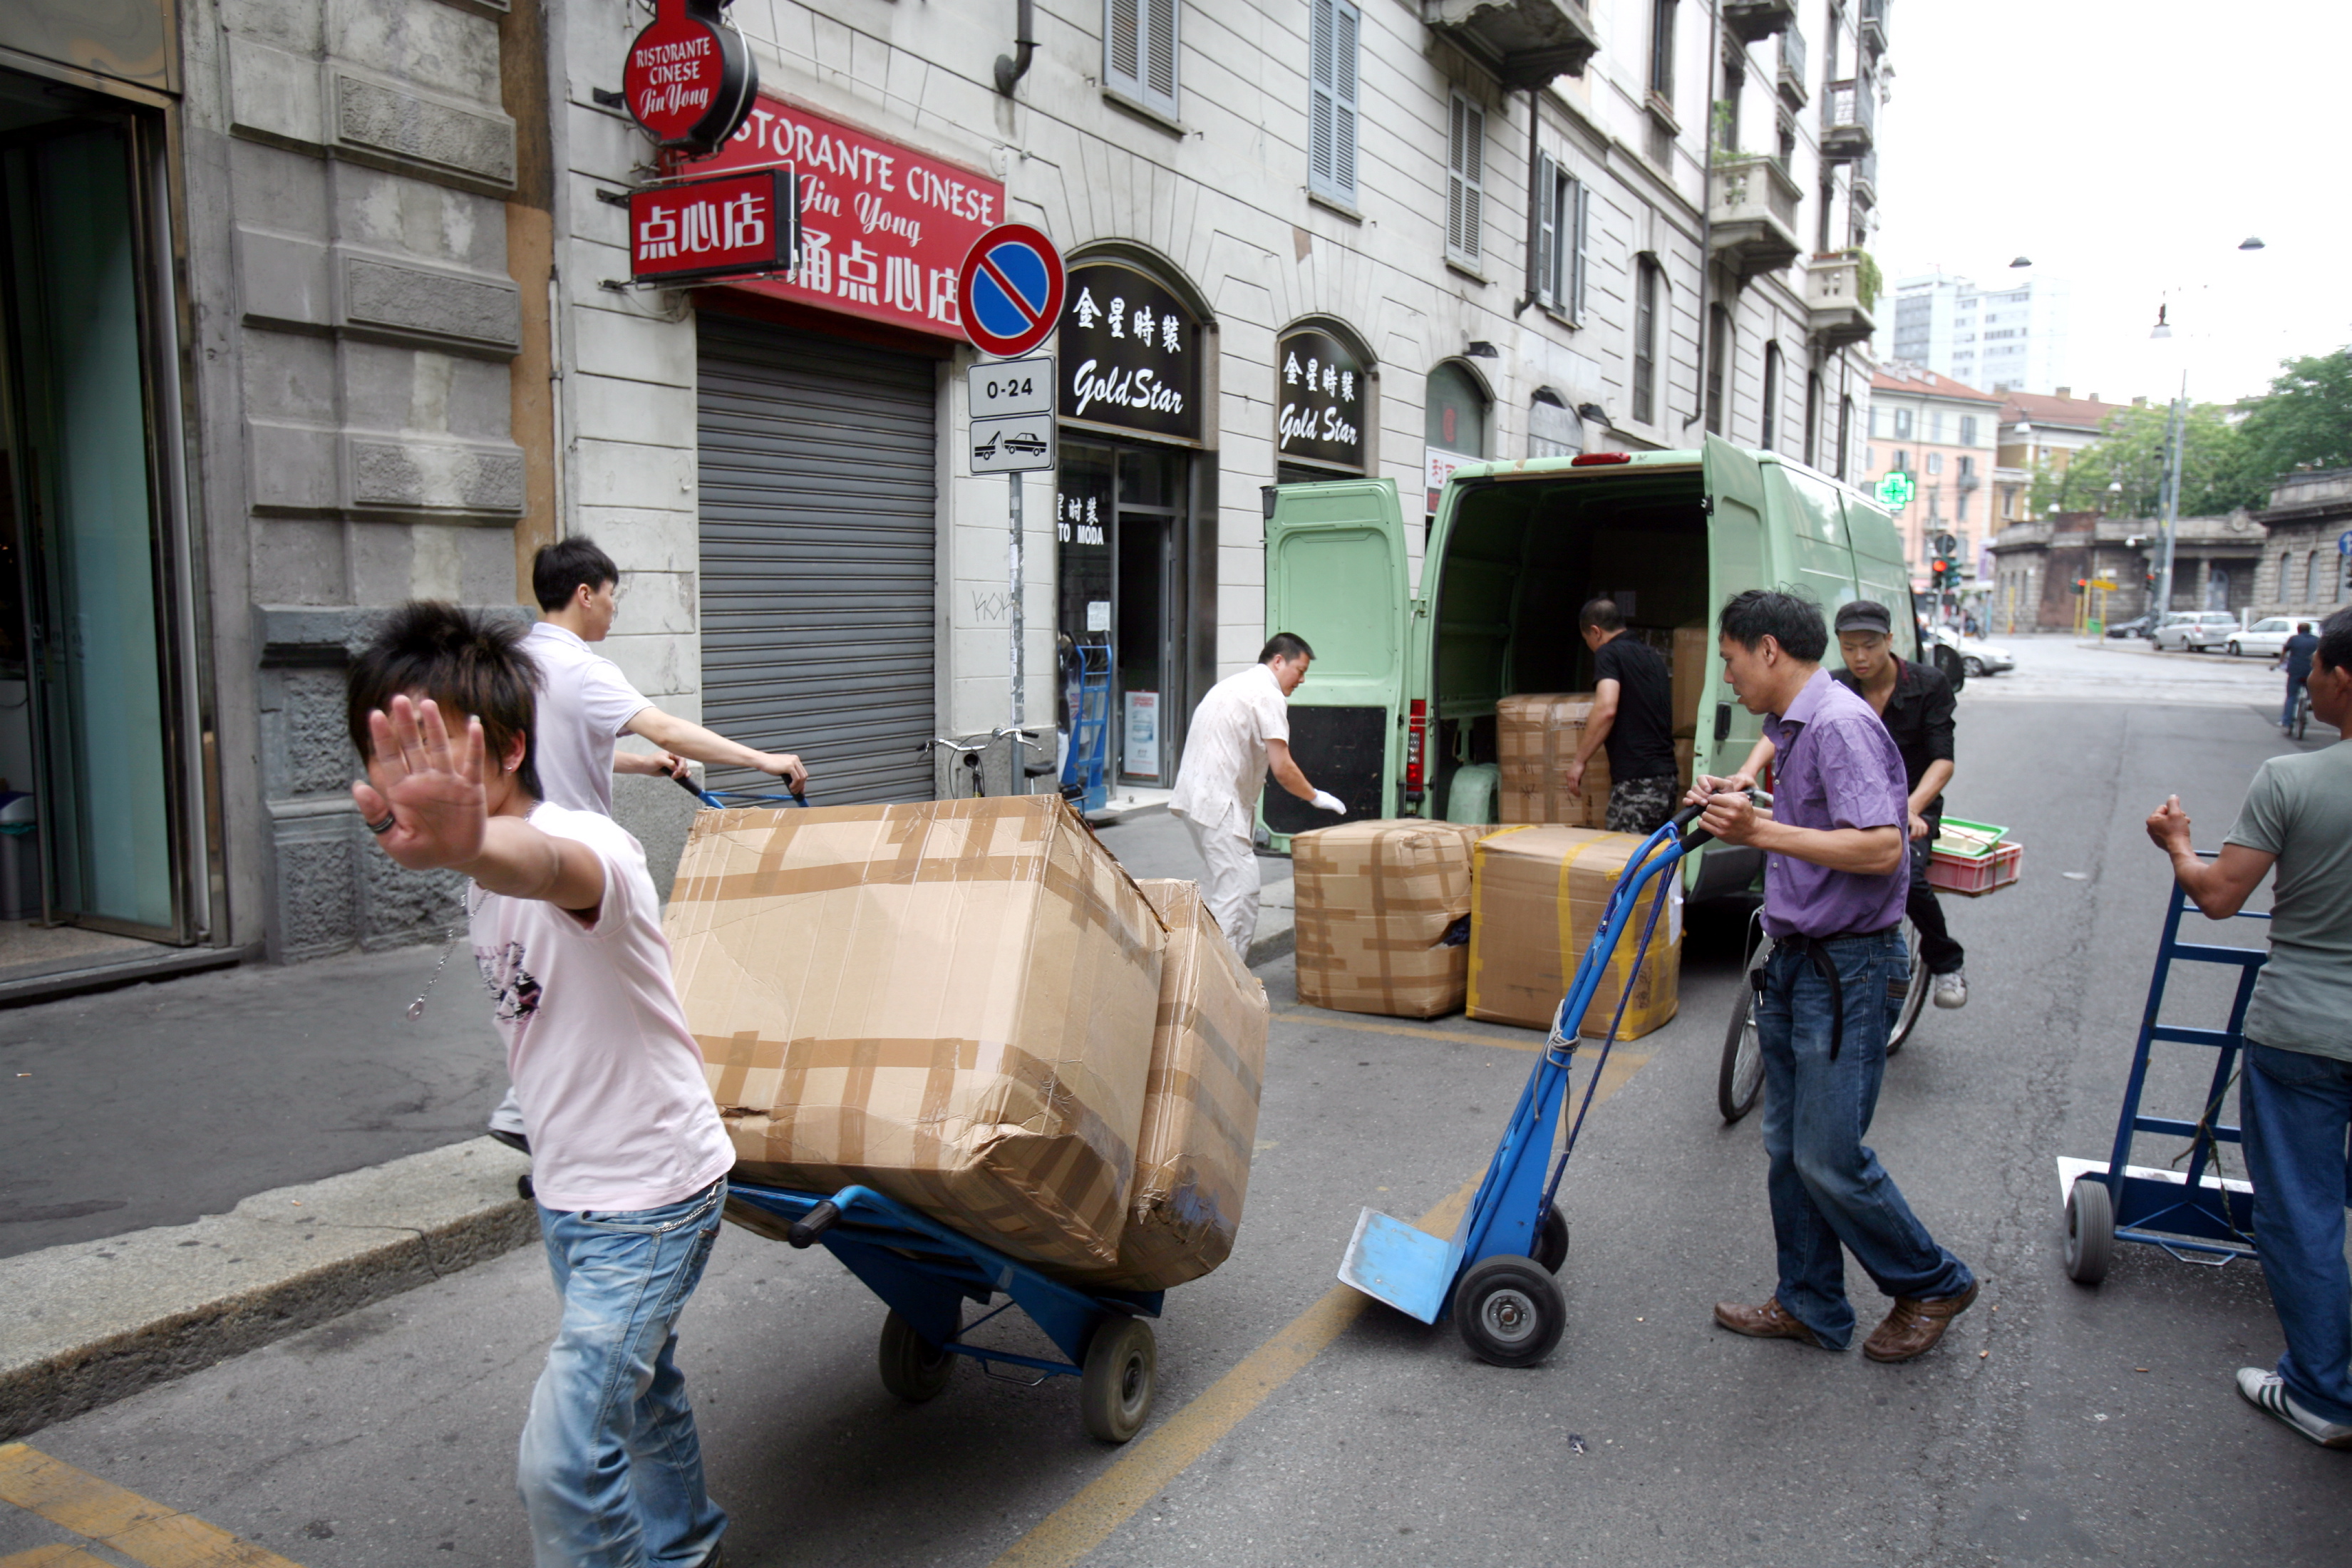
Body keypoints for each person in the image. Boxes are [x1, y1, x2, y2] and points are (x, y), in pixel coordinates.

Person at [347, 603, 734, 1567]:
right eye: (394, 751)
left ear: (513, 747)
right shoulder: (484, 869)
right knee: (641, 1398)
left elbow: (551, 865)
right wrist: (466, 851)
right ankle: (685, 1542)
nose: (413, 777)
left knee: (563, 1459)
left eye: (442, 745)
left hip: (653, 1199)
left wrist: (471, 845)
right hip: (572, 1198)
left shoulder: (586, 850)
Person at [1688, 589, 1979, 1362]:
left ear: (1768, 650)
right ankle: (1811, 1301)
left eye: (1729, 658)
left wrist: (1762, 828)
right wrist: (1737, 799)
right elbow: (1809, 820)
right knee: (1788, 1149)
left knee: (1827, 1154)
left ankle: (1933, 1278)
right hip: (1798, 959)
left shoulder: (1841, 725)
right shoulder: (1798, 723)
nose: (1727, 676)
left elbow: (1883, 848)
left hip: (1846, 969)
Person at [488, 538, 811, 1155]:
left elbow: (557, 751)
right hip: (578, 867)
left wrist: (643, 766)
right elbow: (664, 724)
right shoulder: (582, 668)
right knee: (641, 983)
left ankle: (532, 1110)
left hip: (513, 855)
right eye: (612, 597)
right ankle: (655, 1124)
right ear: (585, 595)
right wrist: (762, 760)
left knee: (554, 990)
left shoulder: (515, 661)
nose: (614, 610)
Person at [2145, 607, 2352, 1449]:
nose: (2302, 676)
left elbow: (2221, 895)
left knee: (2303, 1211)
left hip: (2305, 1029)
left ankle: (2323, 1393)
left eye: (2314, 668)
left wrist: (2177, 842)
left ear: (2342, 677)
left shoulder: (2293, 780)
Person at [1716, 601, 1968, 1008]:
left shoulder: (1853, 715)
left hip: (1909, 810)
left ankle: (1946, 961)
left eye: (1868, 645)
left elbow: (1940, 764)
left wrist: (1907, 809)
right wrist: (1741, 793)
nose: (1860, 657)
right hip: (1799, 940)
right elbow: (1791, 789)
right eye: (1849, 647)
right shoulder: (1828, 690)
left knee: (1913, 881)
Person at [1168, 633, 1344, 963]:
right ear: (1278, 661)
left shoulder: (1236, 684)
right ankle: (1220, 983)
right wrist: (1315, 796)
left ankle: (1202, 973)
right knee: (1240, 894)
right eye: (1300, 670)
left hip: (1198, 799)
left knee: (1225, 889)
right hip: (1218, 803)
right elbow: (1283, 767)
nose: (1302, 679)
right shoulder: (1268, 694)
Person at [1561, 598, 1680, 835]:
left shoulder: (1609, 653)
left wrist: (1579, 761)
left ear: (1596, 632)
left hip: (1637, 784)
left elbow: (1606, 707)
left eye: (1588, 642)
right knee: (1656, 865)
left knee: (1623, 863)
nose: (1592, 648)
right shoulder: (1653, 657)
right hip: (1666, 781)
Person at [2274, 620, 2319, 731]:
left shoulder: (2294, 639)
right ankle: (2310, 702)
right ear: (2310, 631)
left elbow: (2285, 651)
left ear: (2298, 630)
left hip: (2295, 671)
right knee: (2313, 692)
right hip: (2312, 671)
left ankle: (2286, 720)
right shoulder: (2317, 641)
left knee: (2291, 696)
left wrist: (2281, 662)